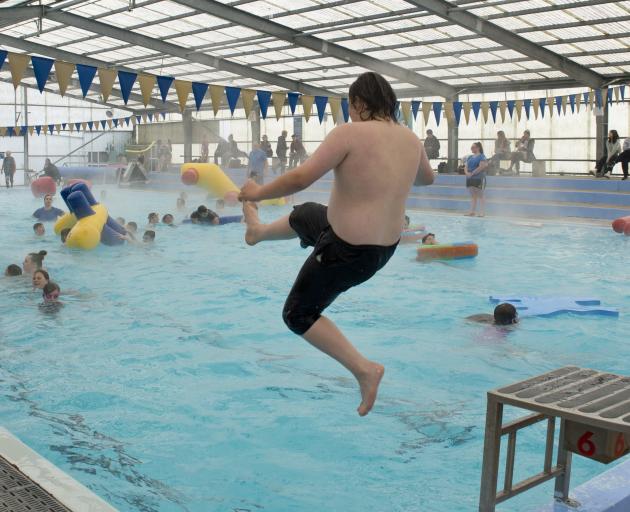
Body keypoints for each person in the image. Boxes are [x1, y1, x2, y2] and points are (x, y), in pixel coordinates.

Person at [238, 71, 434, 416]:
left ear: (358, 102)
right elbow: (427, 178)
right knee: (307, 214)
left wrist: (257, 192)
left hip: (347, 251)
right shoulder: (410, 139)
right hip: (380, 248)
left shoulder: (348, 133)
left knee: (297, 314)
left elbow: (300, 177)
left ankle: (364, 369)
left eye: (350, 106)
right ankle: (258, 232)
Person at [465, 142, 488, 217]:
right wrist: (467, 173)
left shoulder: (482, 156)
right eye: (471, 147)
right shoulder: (470, 157)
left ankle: (482, 211)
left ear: (478, 148)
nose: (472, 149)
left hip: (478, 177)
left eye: (473, 147)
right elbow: (466, 166)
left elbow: (482, 166)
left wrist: (473, 173)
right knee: (473, 195)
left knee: (480, 195)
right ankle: (472, 211)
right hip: (470, 178)